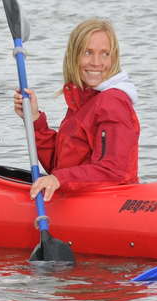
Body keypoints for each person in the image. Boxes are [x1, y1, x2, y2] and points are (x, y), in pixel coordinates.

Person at [13, 18, 141, 201]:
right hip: (79, 197)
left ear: (114, 58)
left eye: (105, 54)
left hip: (107, 203)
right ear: (74, 56)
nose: (96, 62)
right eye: (88, 52)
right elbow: (60, 165)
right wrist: (34, 119)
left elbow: (114, 170)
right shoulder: (83, 99)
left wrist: (59, 179)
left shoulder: (112, 102)